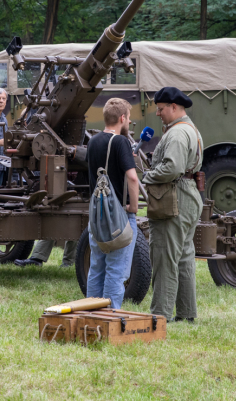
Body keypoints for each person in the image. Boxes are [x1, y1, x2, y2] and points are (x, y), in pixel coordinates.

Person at [143, 86, 203, 322]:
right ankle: (187, 314)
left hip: (174, 196)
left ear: (174, 107)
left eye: (160, 109)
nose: (158, 114)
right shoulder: (190, 129)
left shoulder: (177, 134)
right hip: (187, 195)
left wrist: (145, 177)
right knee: (184, 256)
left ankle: (160, 315)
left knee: (164, 256)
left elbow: (173, 168)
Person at [83, 98, 140, 309]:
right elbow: (132, 178)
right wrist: (133, 207)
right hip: (119, 217)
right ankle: (111, 318)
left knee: (96, 268)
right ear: (122, 118)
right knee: (116, 272)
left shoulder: (93, 141)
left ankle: (91, 314)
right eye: (129, 118)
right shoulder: (121, 142)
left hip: (96, 217)